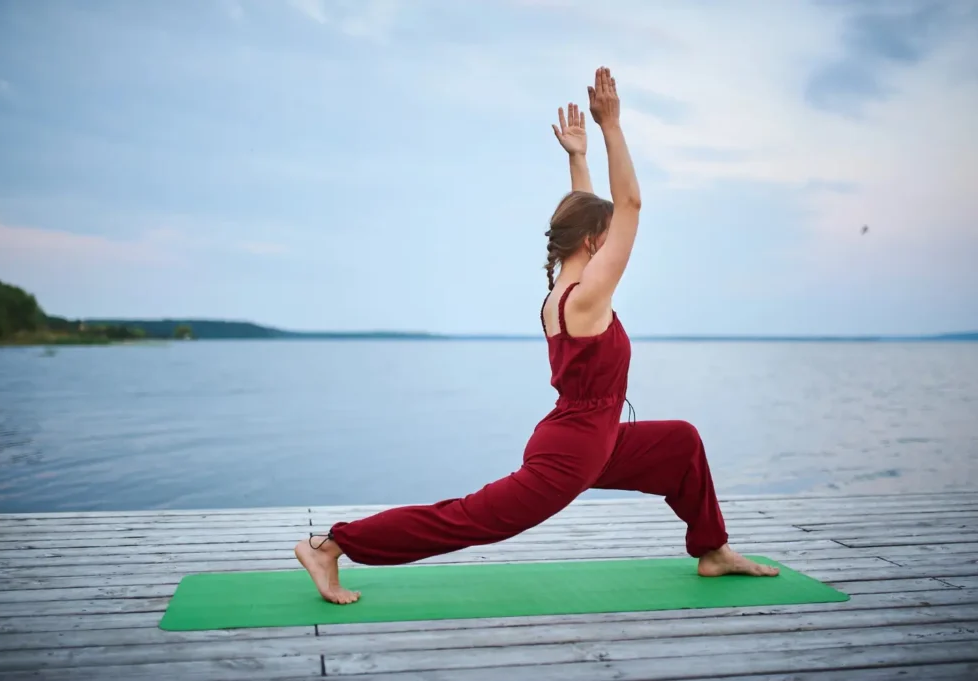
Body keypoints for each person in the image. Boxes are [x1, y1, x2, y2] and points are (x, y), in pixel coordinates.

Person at [295, 67, 779, 605]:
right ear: (597, 242)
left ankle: (712, 551)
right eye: (608, 233)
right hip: (571, 453)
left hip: (591, 437)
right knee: (466, 519)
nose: (616, 237)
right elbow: (631, 208)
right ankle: (332, 544)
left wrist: (578, 158)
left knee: (679, 442)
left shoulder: (568, 291)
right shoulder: (588, 299)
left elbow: (591, 215)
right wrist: (612, 127)